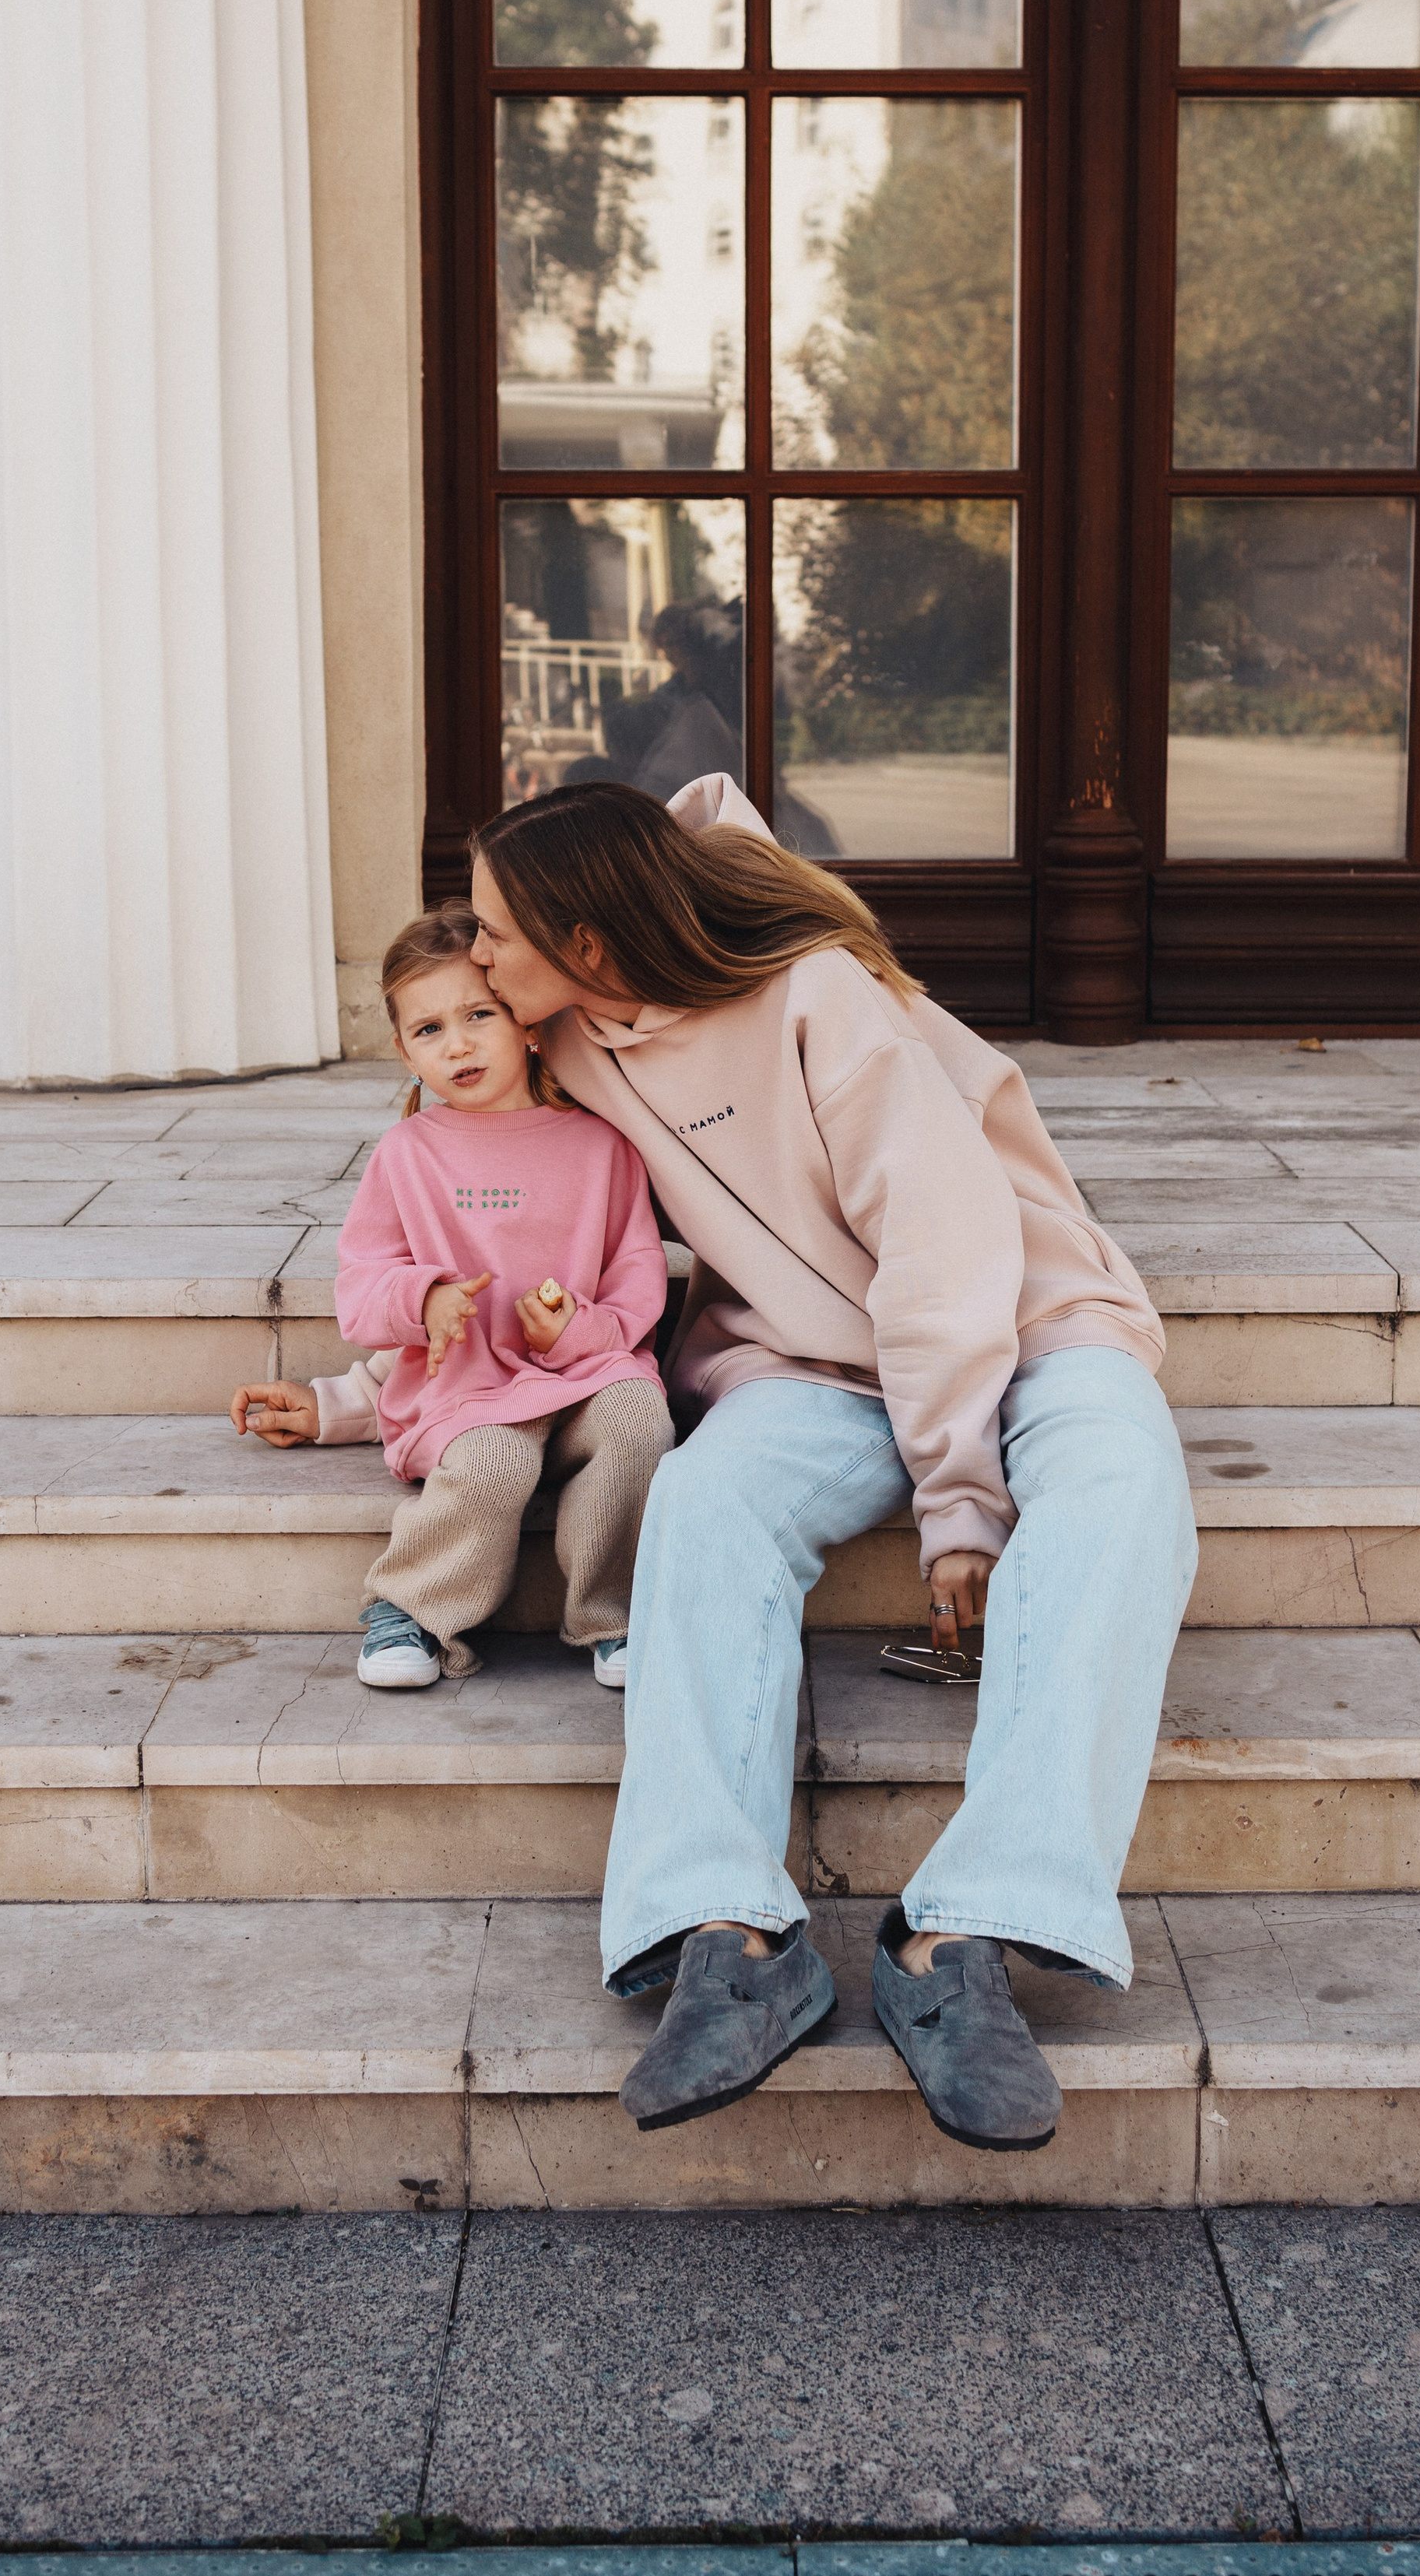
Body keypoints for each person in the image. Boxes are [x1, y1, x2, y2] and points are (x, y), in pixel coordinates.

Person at [466, 777, 1196, 2152]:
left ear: (592, 941)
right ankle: (730, 1935)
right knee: (703, 1498)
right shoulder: (567, 1042)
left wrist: (960, 1500)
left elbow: (941, 1244)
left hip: (1025, 1316)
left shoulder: (817, 995)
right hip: (808, 1363)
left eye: (495, 928)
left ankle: (966, 1937)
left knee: (1123, 1492)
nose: (473, 952)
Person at [229, 904, 673, 1693]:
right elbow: (362, 1287)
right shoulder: (407, 1155)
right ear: (403, 1050)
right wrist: (424, 1297)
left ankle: (618, 1613)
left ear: (528, 1023)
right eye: (429, 1029)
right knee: (496, 1459)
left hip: (583, 1379)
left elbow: (637, 1273)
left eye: (478, 1015)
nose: (458, 1042)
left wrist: (582, 1328)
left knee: (639, 1418)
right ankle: (411, 1608)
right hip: (466, 1395)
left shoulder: (603, 1144)